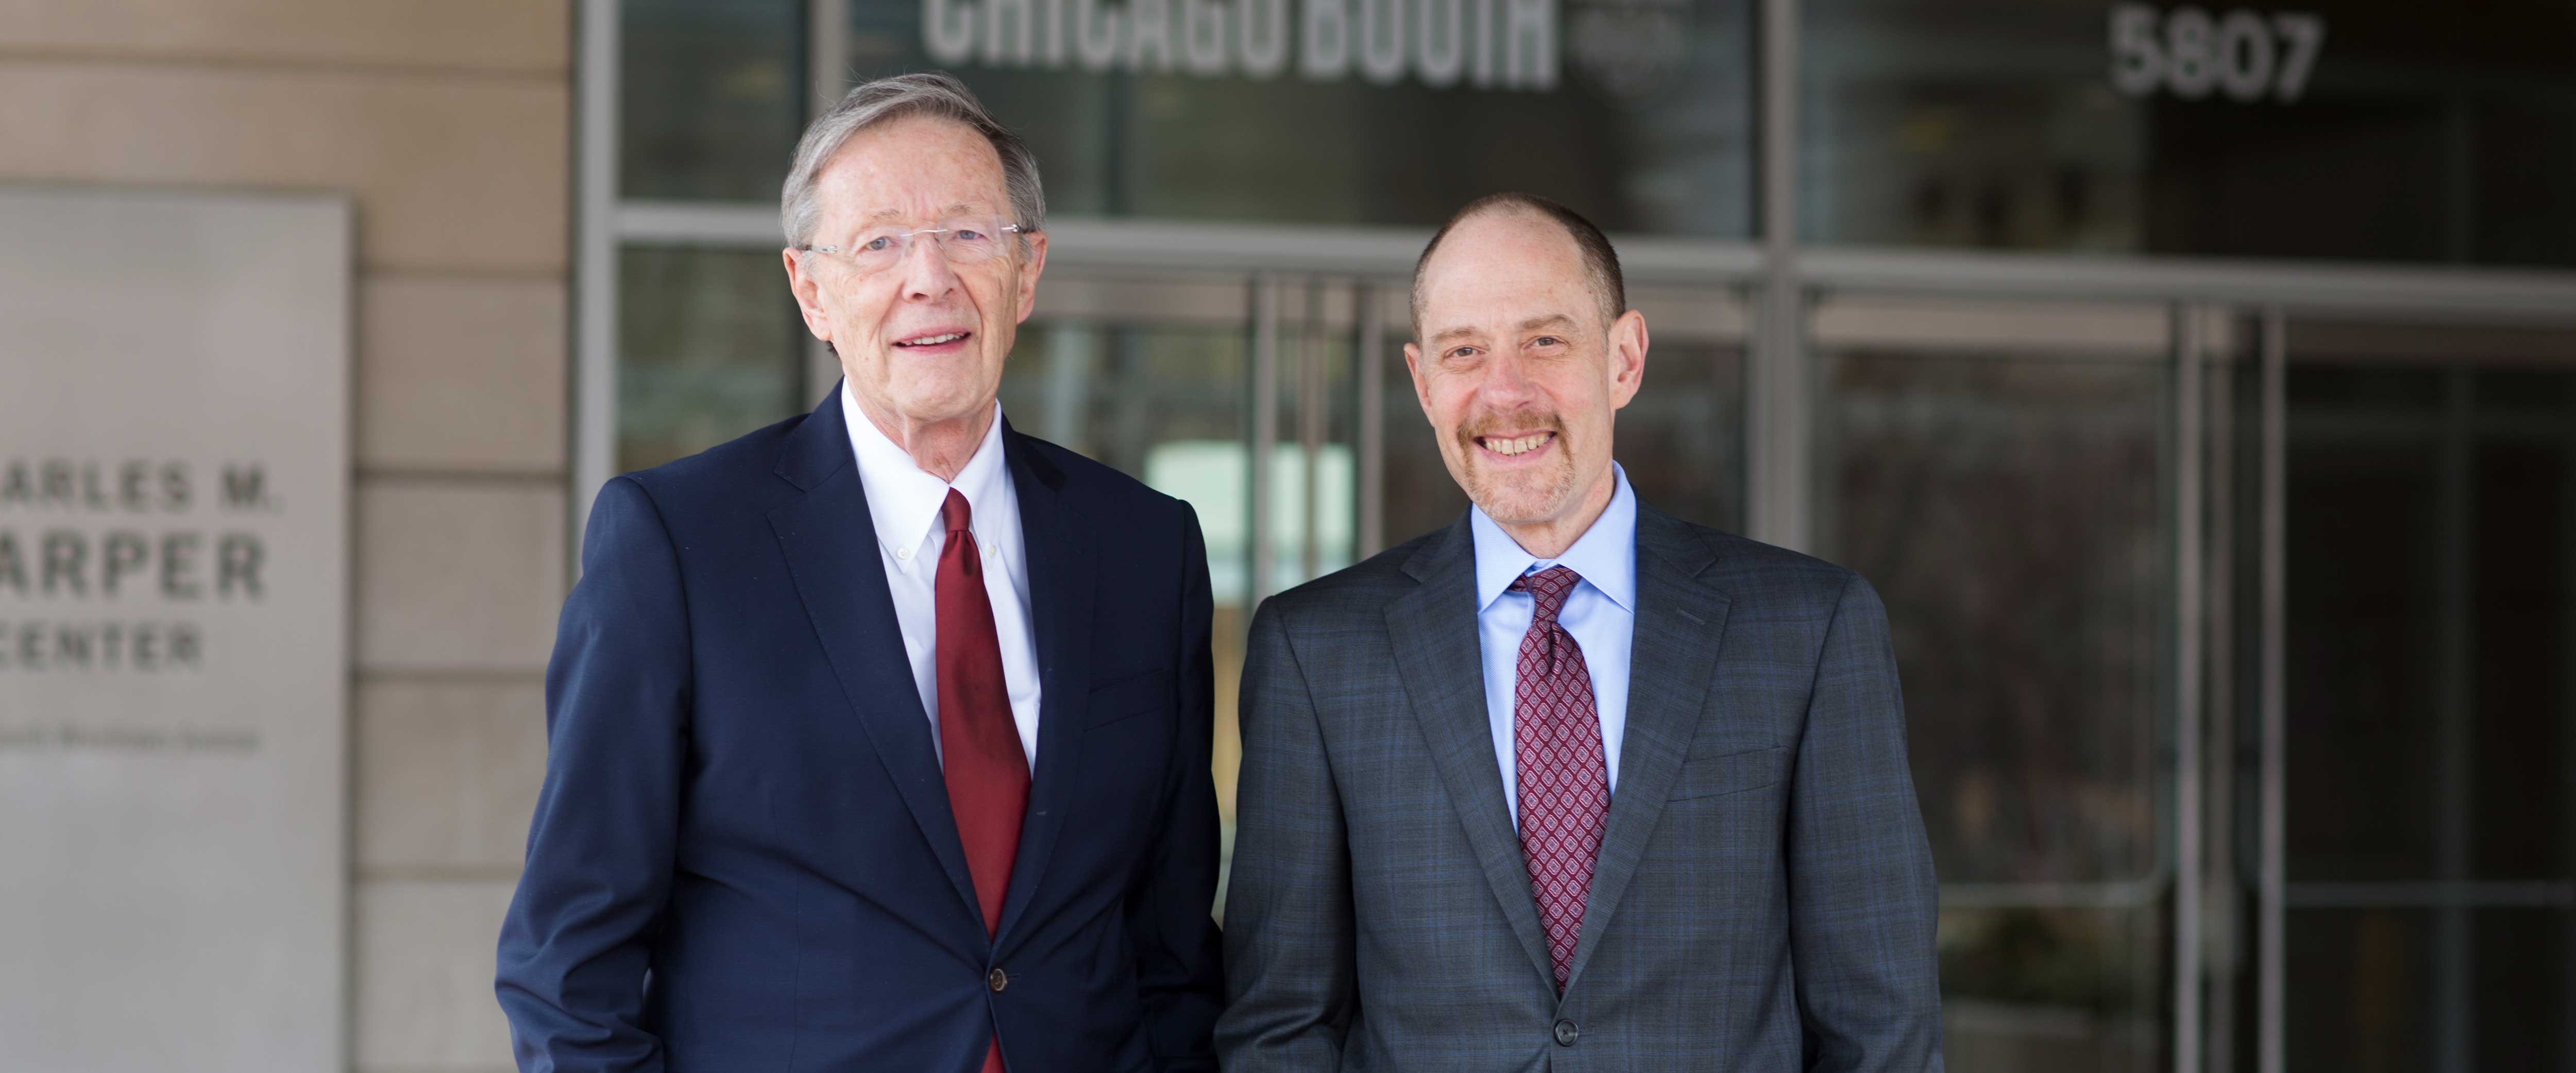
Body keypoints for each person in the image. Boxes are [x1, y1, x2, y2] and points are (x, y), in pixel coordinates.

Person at [496, 73, 1223, 1073]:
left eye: (969, 233)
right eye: (878, 242)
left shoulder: (1146, 550)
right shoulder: (679, 543)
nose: (928, 277)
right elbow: (567, 962)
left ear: (1029, 270)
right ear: (811, 291)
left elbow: (1173, 945)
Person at [1216, 193, 1943, 1071]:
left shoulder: (1807, 631)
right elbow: (1279, 1023)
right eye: (1464, 351)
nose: (1504, 392)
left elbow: (1881, 1023)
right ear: (1422, 382)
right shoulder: (1318, 651)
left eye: (1544, 341)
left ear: (1625, 358)